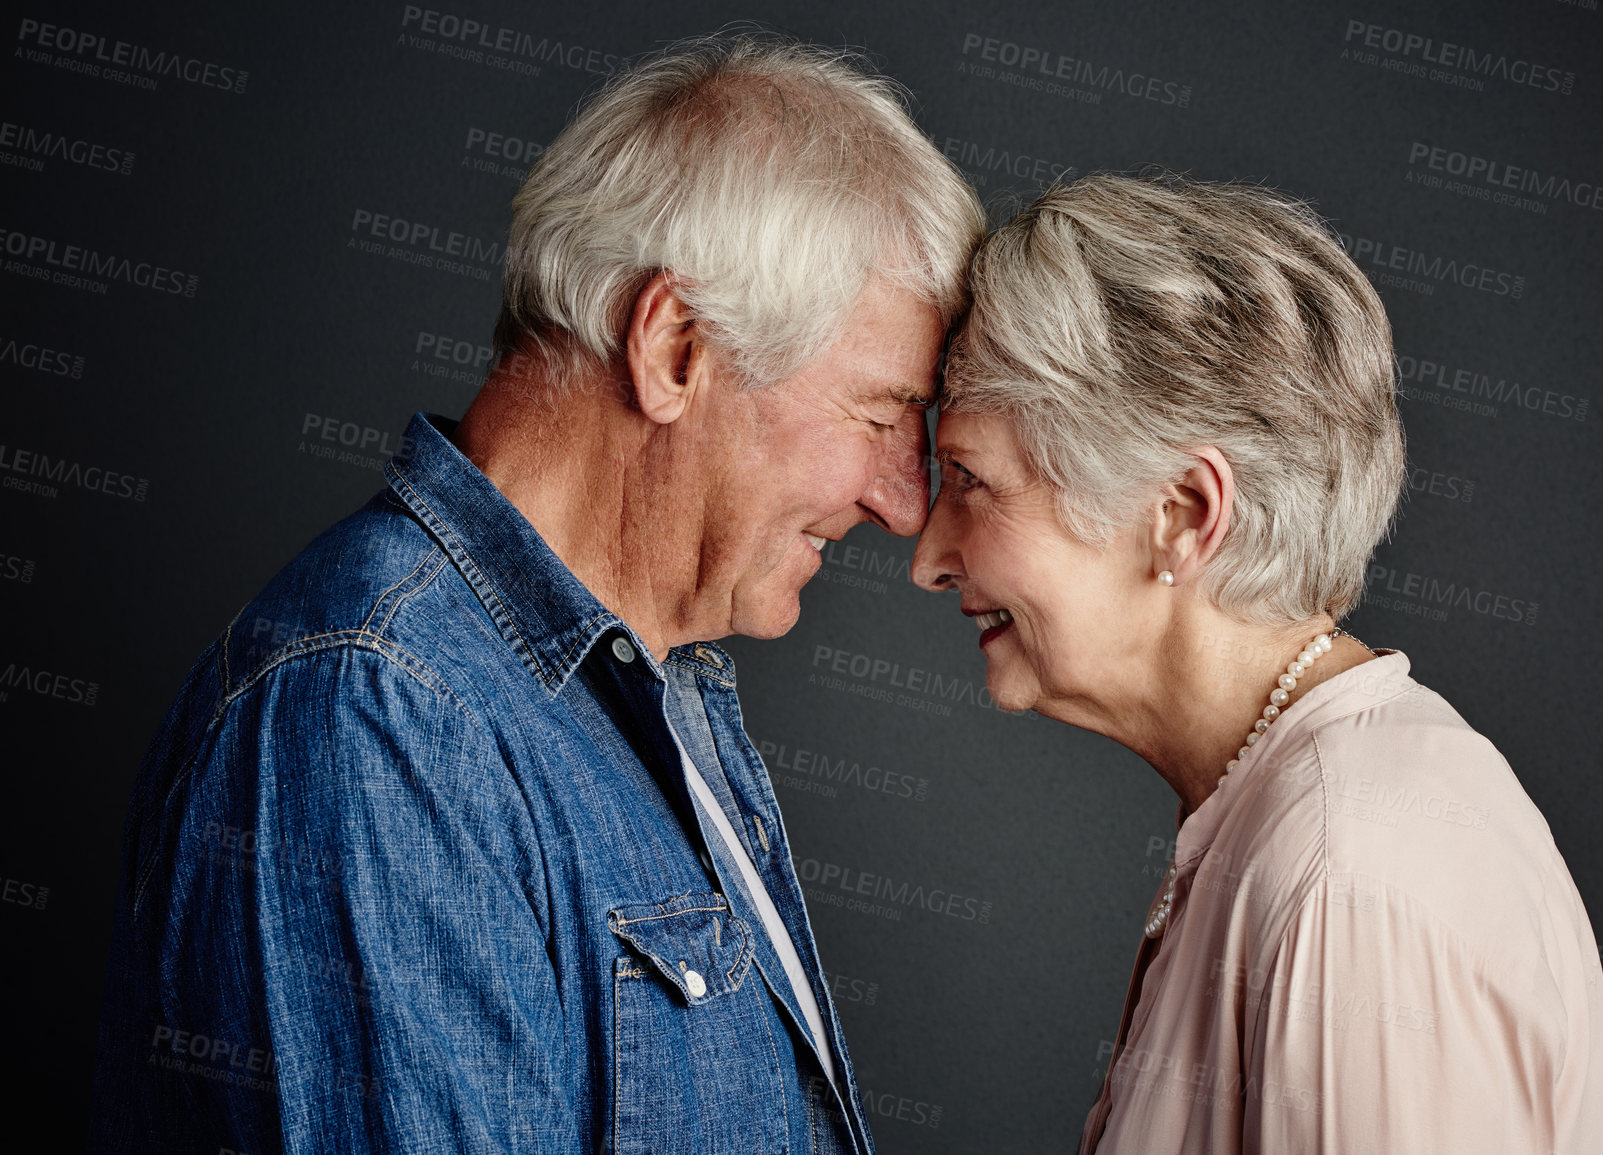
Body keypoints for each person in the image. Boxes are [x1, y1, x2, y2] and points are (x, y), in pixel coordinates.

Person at [90, 36, 984, 1154]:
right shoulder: (376, 714)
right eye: (880, 413)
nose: (907, 503)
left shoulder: (649, 690)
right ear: (675, 349)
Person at [911, 172, 1603, 1153]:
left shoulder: (1350, 869)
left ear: (1186, 515)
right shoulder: (1300, 809)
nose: (927, 557)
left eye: (973, 481)